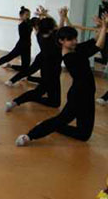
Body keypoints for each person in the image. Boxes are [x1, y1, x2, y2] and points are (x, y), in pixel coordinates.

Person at [15, 12, 107, 146]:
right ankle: (29, 136)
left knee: (84, 135)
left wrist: (100, 27)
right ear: (61, 41)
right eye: (70, 39)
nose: (74, 41)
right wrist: (104, 27)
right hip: (78, 95)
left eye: (75, 38)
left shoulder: (76, 48)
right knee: (61, 119)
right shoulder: (70, 57)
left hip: (88, 94)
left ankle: (55, 128)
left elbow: (94, 40)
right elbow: (99, 46)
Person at [4, 13, 62, 111]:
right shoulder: (54, 38)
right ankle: (14, 102)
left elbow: (56, 27)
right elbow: (58, 27)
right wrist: (61, 17)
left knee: (54, 102)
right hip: (51, 71)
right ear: (51, 29)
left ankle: (29, 97)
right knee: (39, 92)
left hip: (47, 67)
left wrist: (45, 15)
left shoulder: (40, 35)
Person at [0, 6, 32, 74]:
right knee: (8, 57)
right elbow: (26, 24)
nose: (28, 16)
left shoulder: (29, 22)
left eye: (29, 15)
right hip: (21, 45)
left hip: (28, 46)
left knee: (26, 66)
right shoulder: (21, 22)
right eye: (27, 15)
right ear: (21, 16)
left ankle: (10, 66)